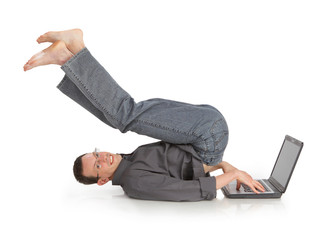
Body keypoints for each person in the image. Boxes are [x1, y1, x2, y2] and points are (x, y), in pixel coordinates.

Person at [24, 29, 265, 201]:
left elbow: (188, 164)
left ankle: (67, 57)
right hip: (208, 135)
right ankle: (75, 50)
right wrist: (233, 174)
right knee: (125, 115)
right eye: (98, 164)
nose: (104, 157)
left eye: (97, 154)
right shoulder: (135, 182)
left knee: (118, 118)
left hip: (206, 133)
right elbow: (184, 190)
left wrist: (222, 165)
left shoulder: (130, 162)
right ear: (102, 181)